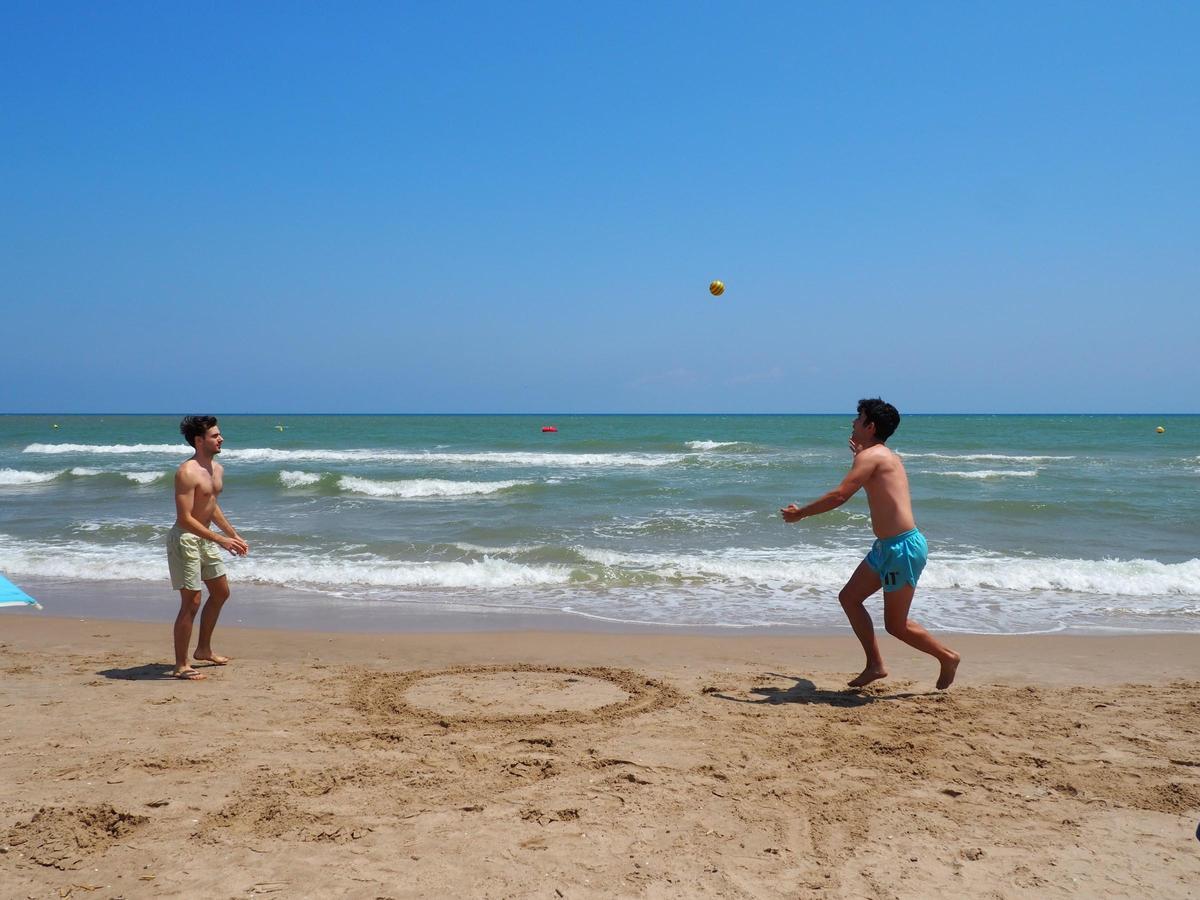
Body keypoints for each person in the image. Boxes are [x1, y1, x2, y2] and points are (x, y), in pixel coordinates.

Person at [781, 399, 960, 690]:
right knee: (849, 597)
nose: (853, 423)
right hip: (886, 548)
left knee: (896, 625)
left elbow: (840, 496)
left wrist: (801, 513)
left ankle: (947, 657)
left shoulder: (872, 457)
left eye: (858, 418)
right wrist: (862, 454)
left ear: (870, 426)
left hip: (902, 550)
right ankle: (875, 665)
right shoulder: (878, 455)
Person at [167, 416, 249, 680]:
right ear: (199, 440)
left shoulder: (217, 469)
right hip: (186, 539)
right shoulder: (186, 472)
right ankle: (181, 665)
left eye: (219, 434)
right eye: (215, 436)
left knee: (221, 592)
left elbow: (211, 507)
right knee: (191, 602)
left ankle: (203, 649)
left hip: (207, 538)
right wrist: (220, 540)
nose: (221, 438)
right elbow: (185, 518)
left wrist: (233, 535)